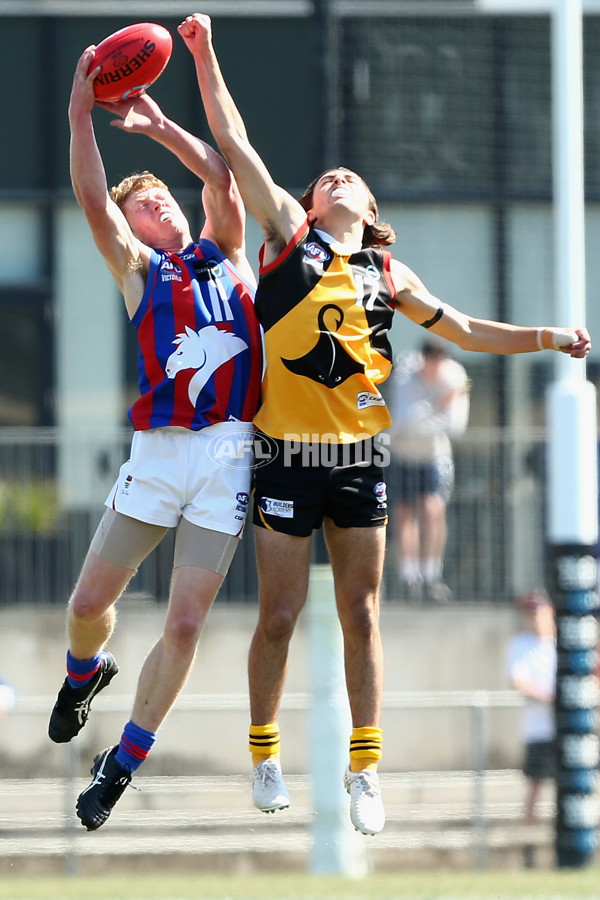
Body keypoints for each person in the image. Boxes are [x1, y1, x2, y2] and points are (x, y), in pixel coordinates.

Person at [178, 12, 590, 837]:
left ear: (369, 207)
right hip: (288, 456)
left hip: (360, 459)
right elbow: (233, 135)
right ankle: (265, 752)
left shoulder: (387, 271)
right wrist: (204, 50)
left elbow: (468, 332)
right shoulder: (285, 241)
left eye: (347, 177)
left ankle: (367, 768)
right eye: (324, 176)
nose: (333, 177)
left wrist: (549, 337)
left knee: (362, 615)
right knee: (281, 617)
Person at [47, 45, 262, 832]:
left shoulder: (228, 252)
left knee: (183, 622)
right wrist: (80, 107)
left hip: (228, 453)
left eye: (164, 201)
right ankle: (82, 674)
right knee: (86, 603)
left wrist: (161, 124)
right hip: (162, 452)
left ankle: (123, 764)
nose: (160, 208)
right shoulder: (141, 272)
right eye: (145, 208)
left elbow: (222, 178)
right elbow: (91, 193)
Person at [387, 337, 470, 604]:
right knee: (404, 514)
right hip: (403, 455)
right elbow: (403, 419)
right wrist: (437, 406)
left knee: (434, 510)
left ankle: (432, 576)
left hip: (435, 456)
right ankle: (410, 578)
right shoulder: (404, 372)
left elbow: (455, 426)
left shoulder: (456, 376)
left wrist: (422, 419)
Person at [507, 589, 556, 868]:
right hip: (539, 731)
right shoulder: (521, 645)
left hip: (569, 730)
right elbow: (519, 681)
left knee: (580, 787)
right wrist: (553, 699)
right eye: (530, 612)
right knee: (534, 791)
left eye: (538, 610)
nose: (534, 617)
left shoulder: (566, 644)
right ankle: (529, 852)